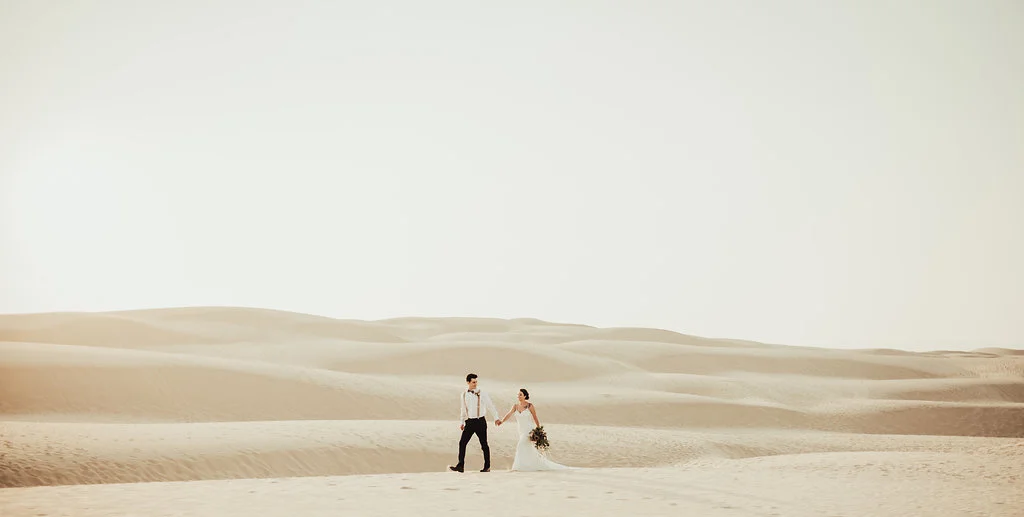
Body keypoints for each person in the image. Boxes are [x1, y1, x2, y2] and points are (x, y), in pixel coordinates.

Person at [498, 388, 572, 471]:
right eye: (518, 395)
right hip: (521, 430)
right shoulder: (515, 406)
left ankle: (517, 467)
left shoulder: (529, 406)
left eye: (520, 395)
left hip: (528, 430)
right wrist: (502, 421)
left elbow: (535, 417)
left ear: (525, 396)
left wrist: (538, 429)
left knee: (520, 445)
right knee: (527, 448)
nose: (518, 396)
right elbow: (509, 414)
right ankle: (530, 465)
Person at [449, 373, 500, 473]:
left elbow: (490, 405)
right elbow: (463, 409)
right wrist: (462, 422)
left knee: (484, 444)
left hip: (480, 421)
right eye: (473, 382)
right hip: (470, 422)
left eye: (476, 382)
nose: (475, 384)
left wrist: (496, 418)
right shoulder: (464, 394)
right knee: (462, 443)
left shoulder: (482, 393)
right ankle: (460, 466)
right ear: (468, 382)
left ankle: (487, 466)